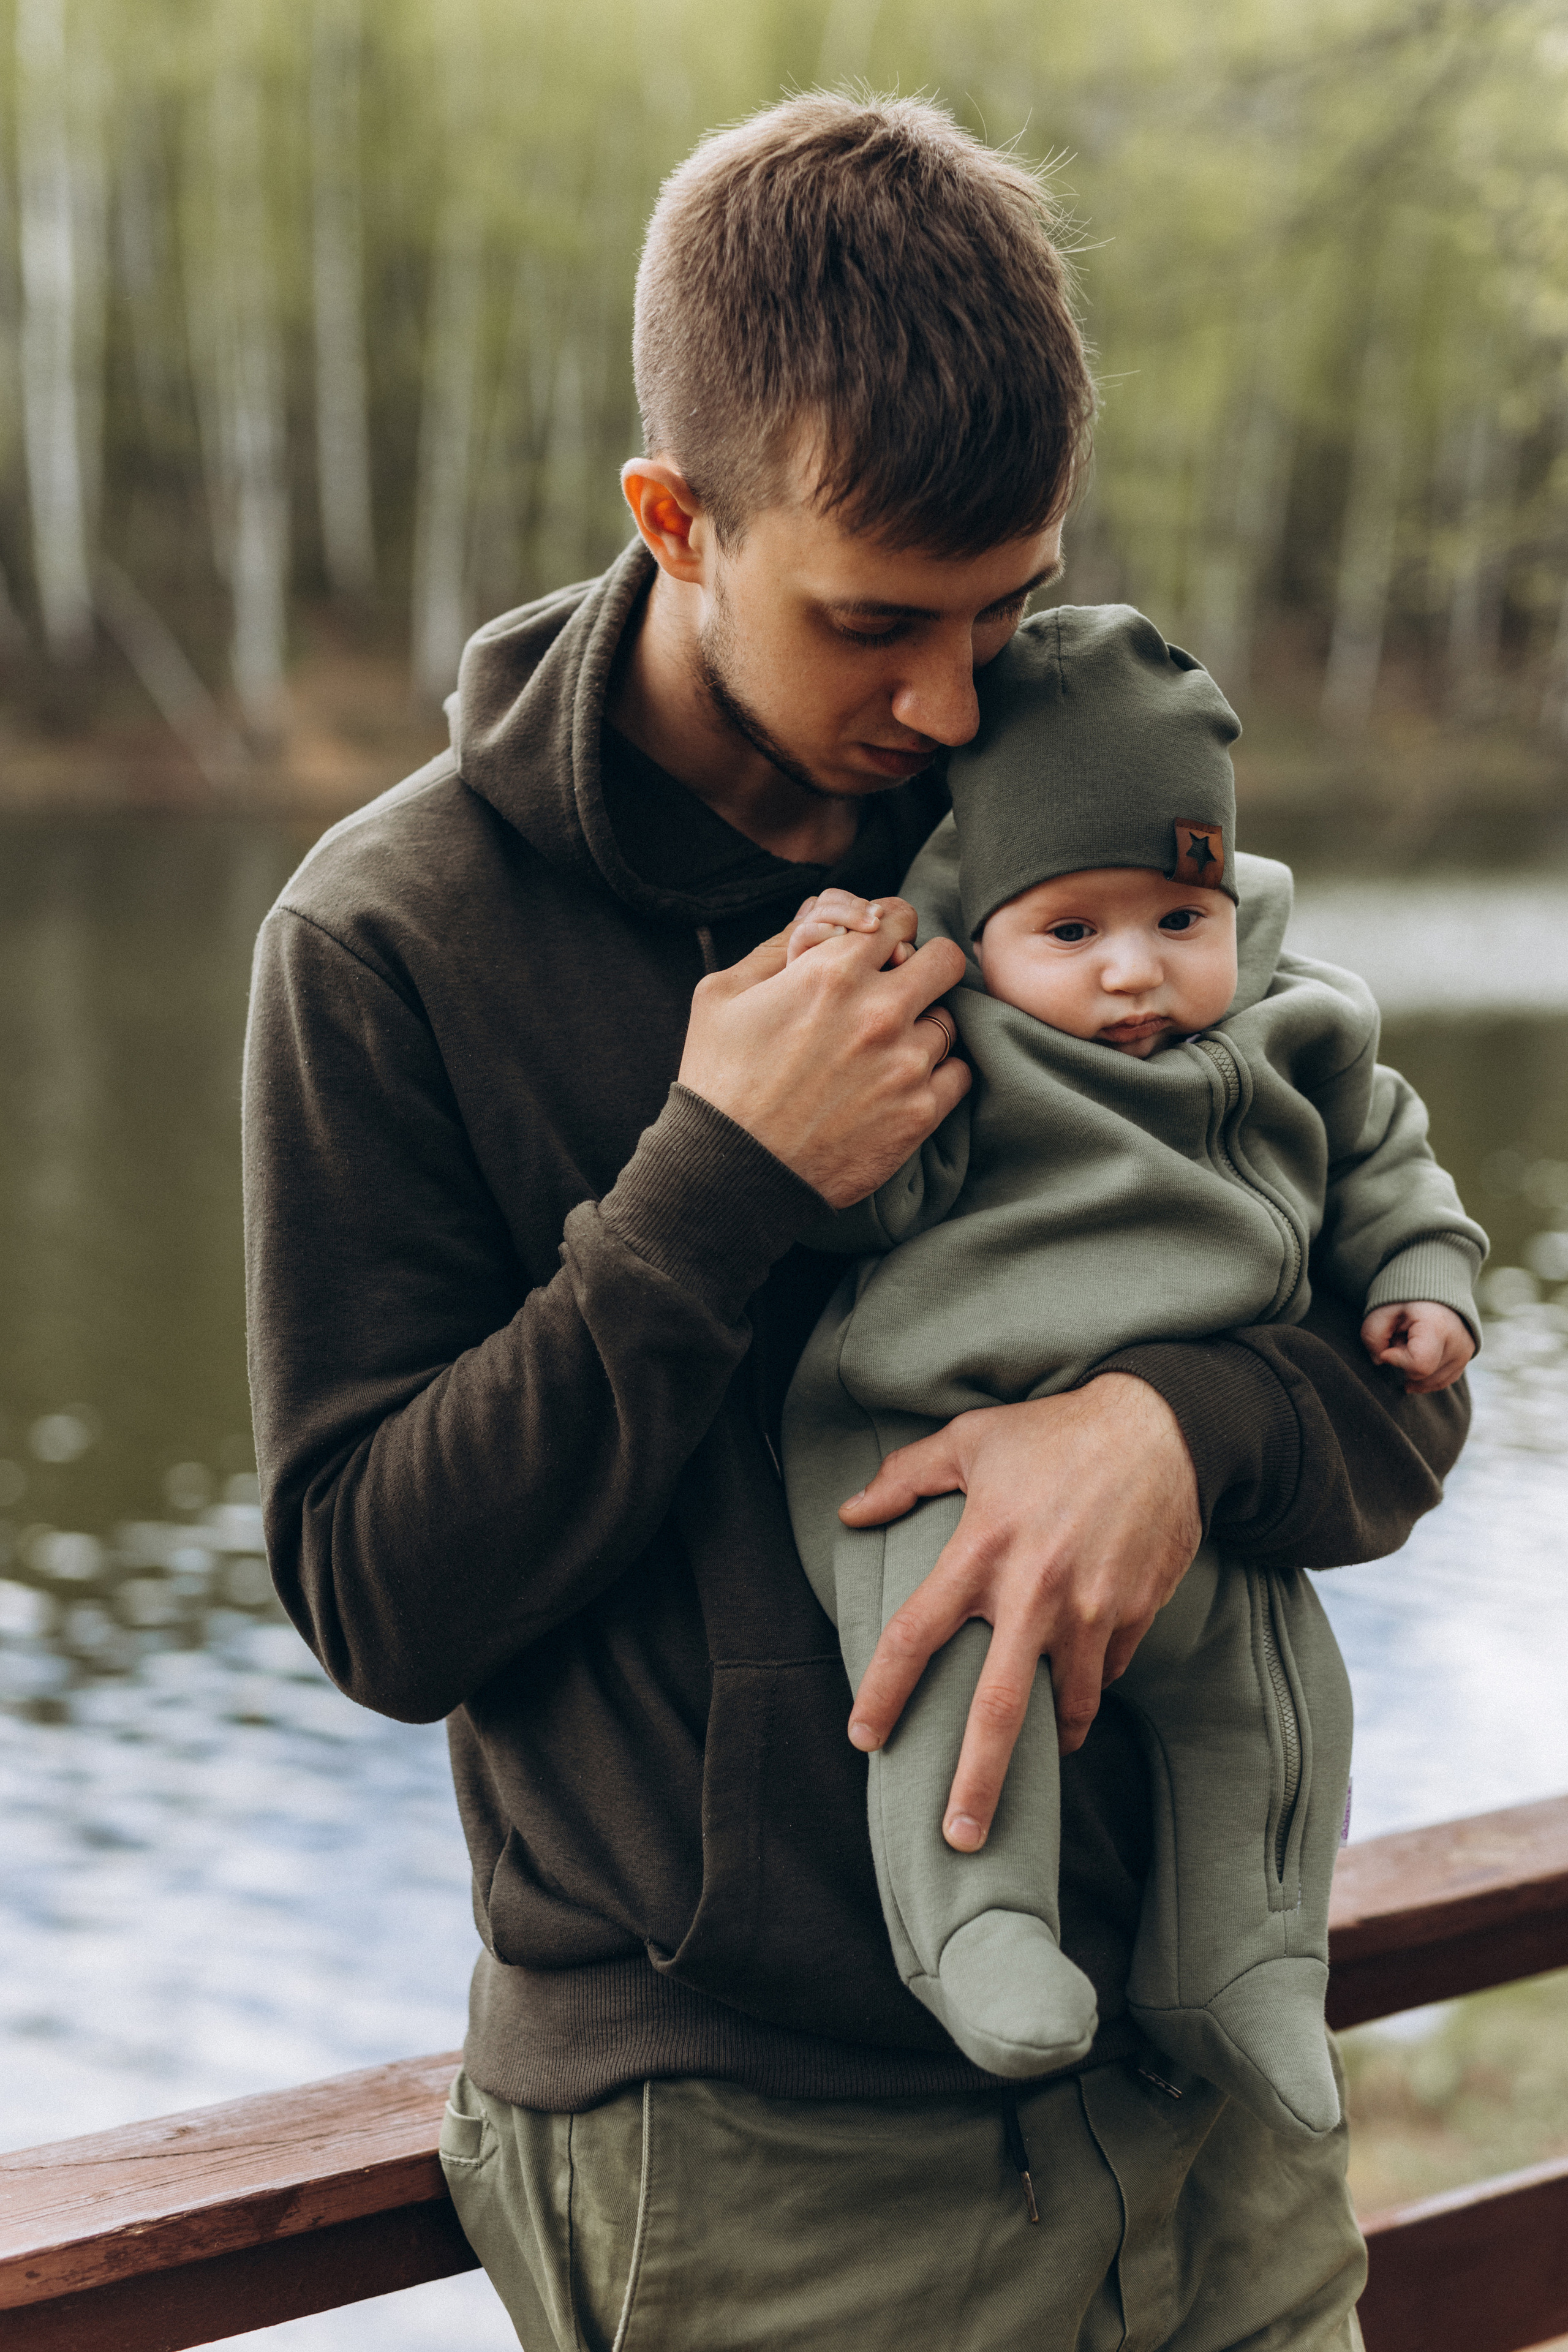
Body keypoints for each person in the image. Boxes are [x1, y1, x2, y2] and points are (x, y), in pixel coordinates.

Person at [243, 93, 1471, 2351]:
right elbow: (373, 1597)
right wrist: (715, 1188)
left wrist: (1179, 1430)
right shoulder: (389, 943)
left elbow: (1395, 1392)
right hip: (762, 2165)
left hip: (1201, 2103)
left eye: (1006, 606)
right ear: (675, 521)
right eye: (877, 623)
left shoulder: (1081, 791)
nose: (943, 702)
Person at [780, 603, 1483, 2138]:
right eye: (1071, 931)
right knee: (956, 1681)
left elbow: (1388, 1167)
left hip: (1201, 1509)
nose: (1132, 978)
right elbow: (863, 1200)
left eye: (1178, 919)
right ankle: (974, 1929)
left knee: (1279, 1709)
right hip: (940, 1448)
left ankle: (1240, 1967)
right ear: (987, 921)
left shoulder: (1299, 1029)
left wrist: (1427, 1282)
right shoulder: (961, 1041)